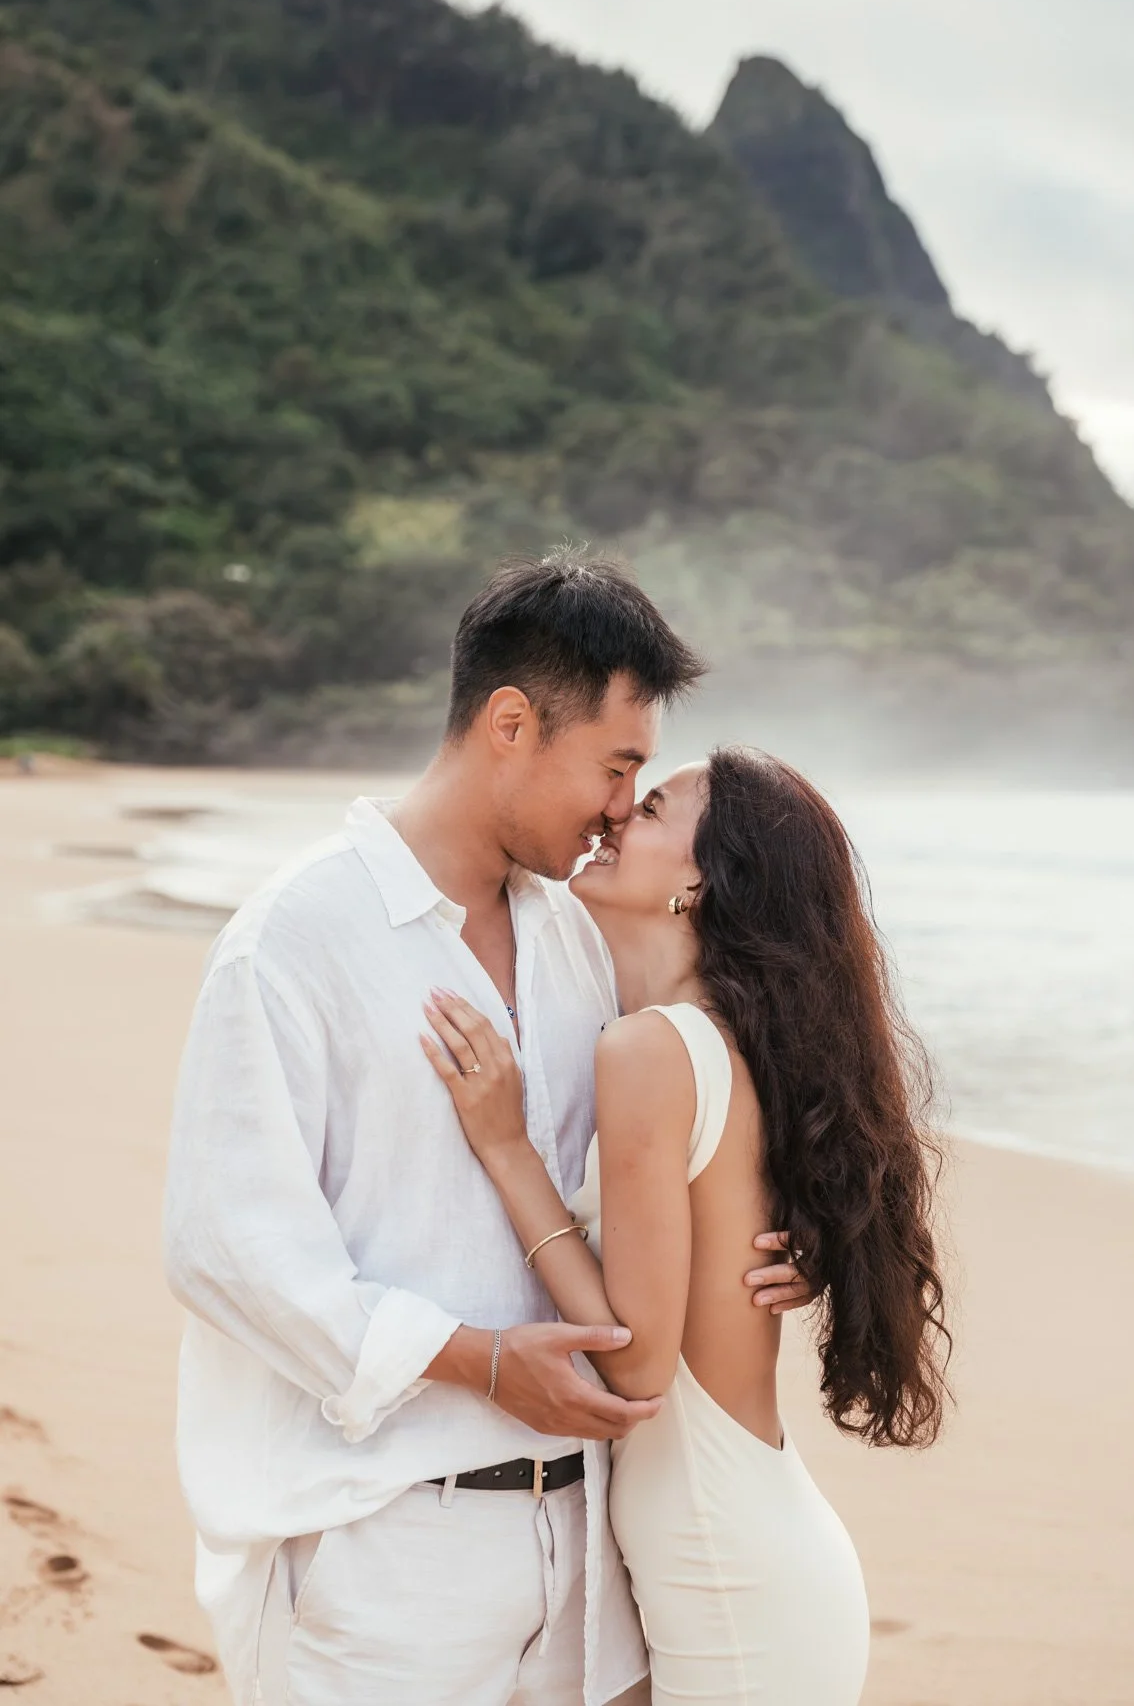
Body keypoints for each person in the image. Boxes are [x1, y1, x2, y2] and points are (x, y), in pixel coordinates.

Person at [163, 552, 813, 1706]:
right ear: (511, 724)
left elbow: (690, 1119)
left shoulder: (578, 941)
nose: (624, 806)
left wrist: (780, 1238)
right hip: (383, 1553)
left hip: (587, 1557)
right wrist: (480, 1363)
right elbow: (228, 1250)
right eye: (616, 766)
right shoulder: (294, 942)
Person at [424, 749, 951, 1705]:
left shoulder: (655, 1049)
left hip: (732, 1581)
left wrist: (507, 1152)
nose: (617, 813)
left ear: (701, 882)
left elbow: (634, 1365)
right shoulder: (717, 1044)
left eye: (654, 807)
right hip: (744, 1553)